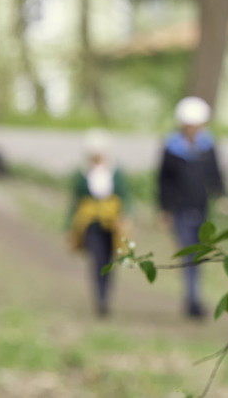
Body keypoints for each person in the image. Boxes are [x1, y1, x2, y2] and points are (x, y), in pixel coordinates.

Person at [157, 96, 227, 319]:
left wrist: (222, 196)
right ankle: (193, 300)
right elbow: (163, 181)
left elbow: (216, 173)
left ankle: (194, 297)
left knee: (199, 253)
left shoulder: (208, 145)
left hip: (202, 208)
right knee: (188, 253)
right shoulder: (171, 147)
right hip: (179, 209)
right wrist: (164, 209)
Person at [66, 129, 130, 317]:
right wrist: (68, 228)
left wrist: (126, 217)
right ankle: (99, 297)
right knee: (97, 259)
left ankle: (106, 295)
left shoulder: (115, 172)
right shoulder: (82, 174)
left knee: (109, 260)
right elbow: (75, 202)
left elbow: (125, 196)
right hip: (91, 223)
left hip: (112, 223)